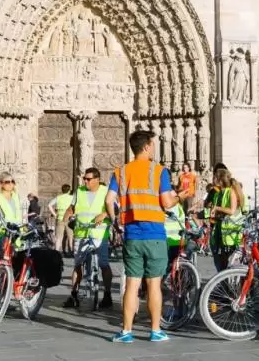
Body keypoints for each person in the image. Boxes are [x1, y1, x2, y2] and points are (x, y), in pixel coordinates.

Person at [109, 129, 182, 343]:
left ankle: (126, 331)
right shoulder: (159, 171)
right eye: (153, 144)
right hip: (155, 235)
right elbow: (167, 202)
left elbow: (108, 199)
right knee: (153, 284)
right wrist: (180, 196)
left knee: (132, 283)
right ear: (147, 146)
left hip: (132, 234)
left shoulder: (121, 171)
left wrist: (116, 221)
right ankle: (155, 330)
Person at [63, 168, 116, 309]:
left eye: (88, 179)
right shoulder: (79, 191)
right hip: (81, 232)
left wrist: (104, 214)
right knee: (77, 264)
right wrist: (67, 215)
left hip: (99, 234)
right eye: (84, 178)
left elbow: (114, 209)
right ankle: (73, 295)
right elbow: (72, 207)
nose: (85, 181)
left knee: (104, 264)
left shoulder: (106, 191)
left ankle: (108, 294)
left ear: (97, 179)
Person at [209, 168, 243, 272]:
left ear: (220, 179)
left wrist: (217, 208)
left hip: (230, 233)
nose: (212, 179)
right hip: (220, 231)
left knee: (228, 264)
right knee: (220, 262)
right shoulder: (218, 193)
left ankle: (228, 285)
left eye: (214, 177)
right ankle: (223, 284)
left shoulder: (231, 191)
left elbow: (232, 210)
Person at [0, 172, 22, 250]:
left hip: (17, 231)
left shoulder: (16, 196)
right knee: (6, 256)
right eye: (7, 182)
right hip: (2, 232)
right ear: (1, 184)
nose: (10, 184)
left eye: (12, 181)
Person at [48, 184, 75, 256]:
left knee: (59, 237)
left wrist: (54, 214)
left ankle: (56, 252)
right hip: (69, 219)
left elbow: (49, 205)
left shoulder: (58, 197)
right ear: (69, 190)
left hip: (60, 218)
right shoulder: (72, 198)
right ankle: (71, 252)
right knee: (70, 237)